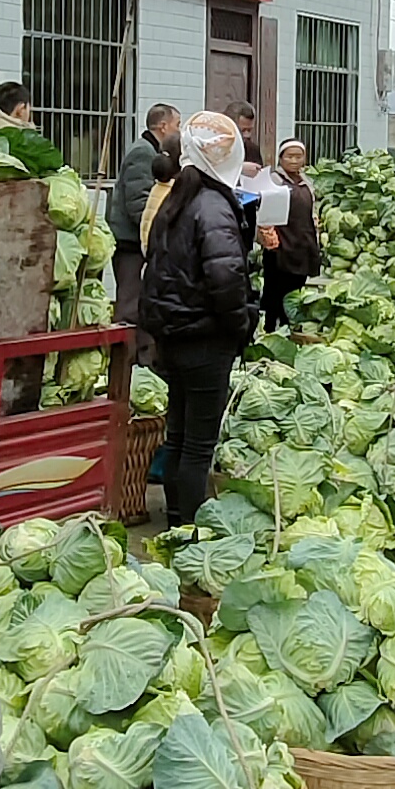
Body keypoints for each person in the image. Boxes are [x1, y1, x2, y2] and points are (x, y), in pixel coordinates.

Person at [141, 111, 261, 528]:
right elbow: (225, 276)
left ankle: (174, 519)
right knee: (198, 445)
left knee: (177, 434)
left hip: (173, 334)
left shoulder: (177, 198)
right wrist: (240, 323)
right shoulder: (213, 205)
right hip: (205, 338)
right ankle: (189, 531)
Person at [112, 104, 180, 325]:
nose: (179, 131)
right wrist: (154, 233)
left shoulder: (154, 152)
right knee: (131, 304)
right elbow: (138, 202)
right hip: (131, 242)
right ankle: (128, 356)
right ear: (163, 126)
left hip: (141, 240)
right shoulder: (143, 152)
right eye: (177, 125)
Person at [257, 137, 323, 329]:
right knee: (275, 290)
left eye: (298, 157)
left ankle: (289, 327)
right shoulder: (273, 181)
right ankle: (270, 328)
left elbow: (312, 211)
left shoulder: (306, 182)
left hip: (303, 242)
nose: (294, 161)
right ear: (281, 158)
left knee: (296, 289)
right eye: (290, 156)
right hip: (281, 245)